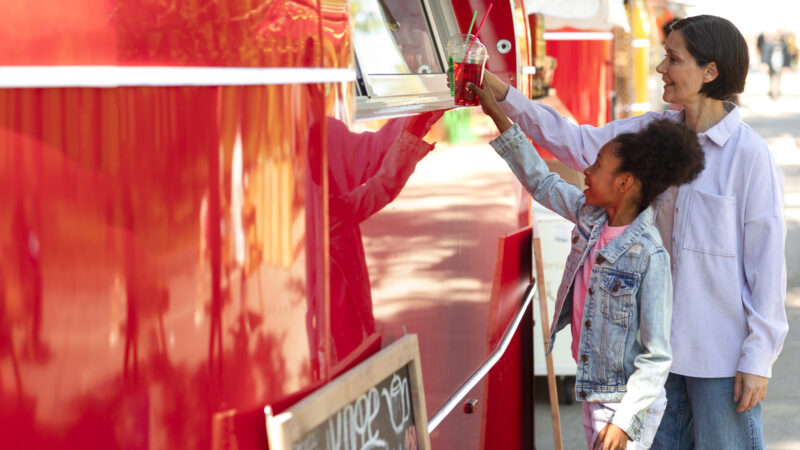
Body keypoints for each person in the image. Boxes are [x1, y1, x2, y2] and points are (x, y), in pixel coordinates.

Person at [478, 14, 787, 449]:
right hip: (648, 359)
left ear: (709, 72)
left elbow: (767, 264)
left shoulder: (749, 155)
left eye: (672, 59)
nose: (661, 68)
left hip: (720, 360)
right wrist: (503, 96)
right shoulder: (649, 132)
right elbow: (573, 141)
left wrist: (759, 358)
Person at [471, 77, 705, 449]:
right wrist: (498, 116)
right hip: (593, 389)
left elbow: (657, 356)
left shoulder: (649, 255)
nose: (586, 171)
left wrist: (624, 422)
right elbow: (542, 183)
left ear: (624, 182)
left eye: (597, 165)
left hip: (621, 404)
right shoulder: (591, 218)